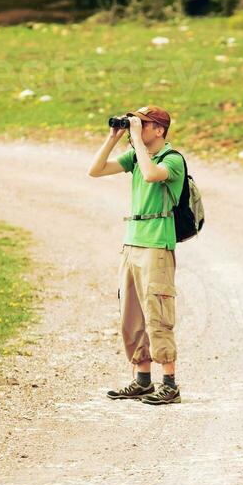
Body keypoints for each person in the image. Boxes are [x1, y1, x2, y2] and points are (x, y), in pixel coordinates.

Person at [87, 106, 185, 405]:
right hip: (132, 244)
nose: (138, 128)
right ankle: (142, 379)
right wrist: (114, 137)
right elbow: (95, 170)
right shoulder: (136, 153)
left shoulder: (172, 159)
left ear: (159, 130)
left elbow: (152, 174)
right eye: (136, 123)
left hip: (156, 245)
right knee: (132, 315)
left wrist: (138, 144)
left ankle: (169, 383)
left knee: (157, 313)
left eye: (144, 124)